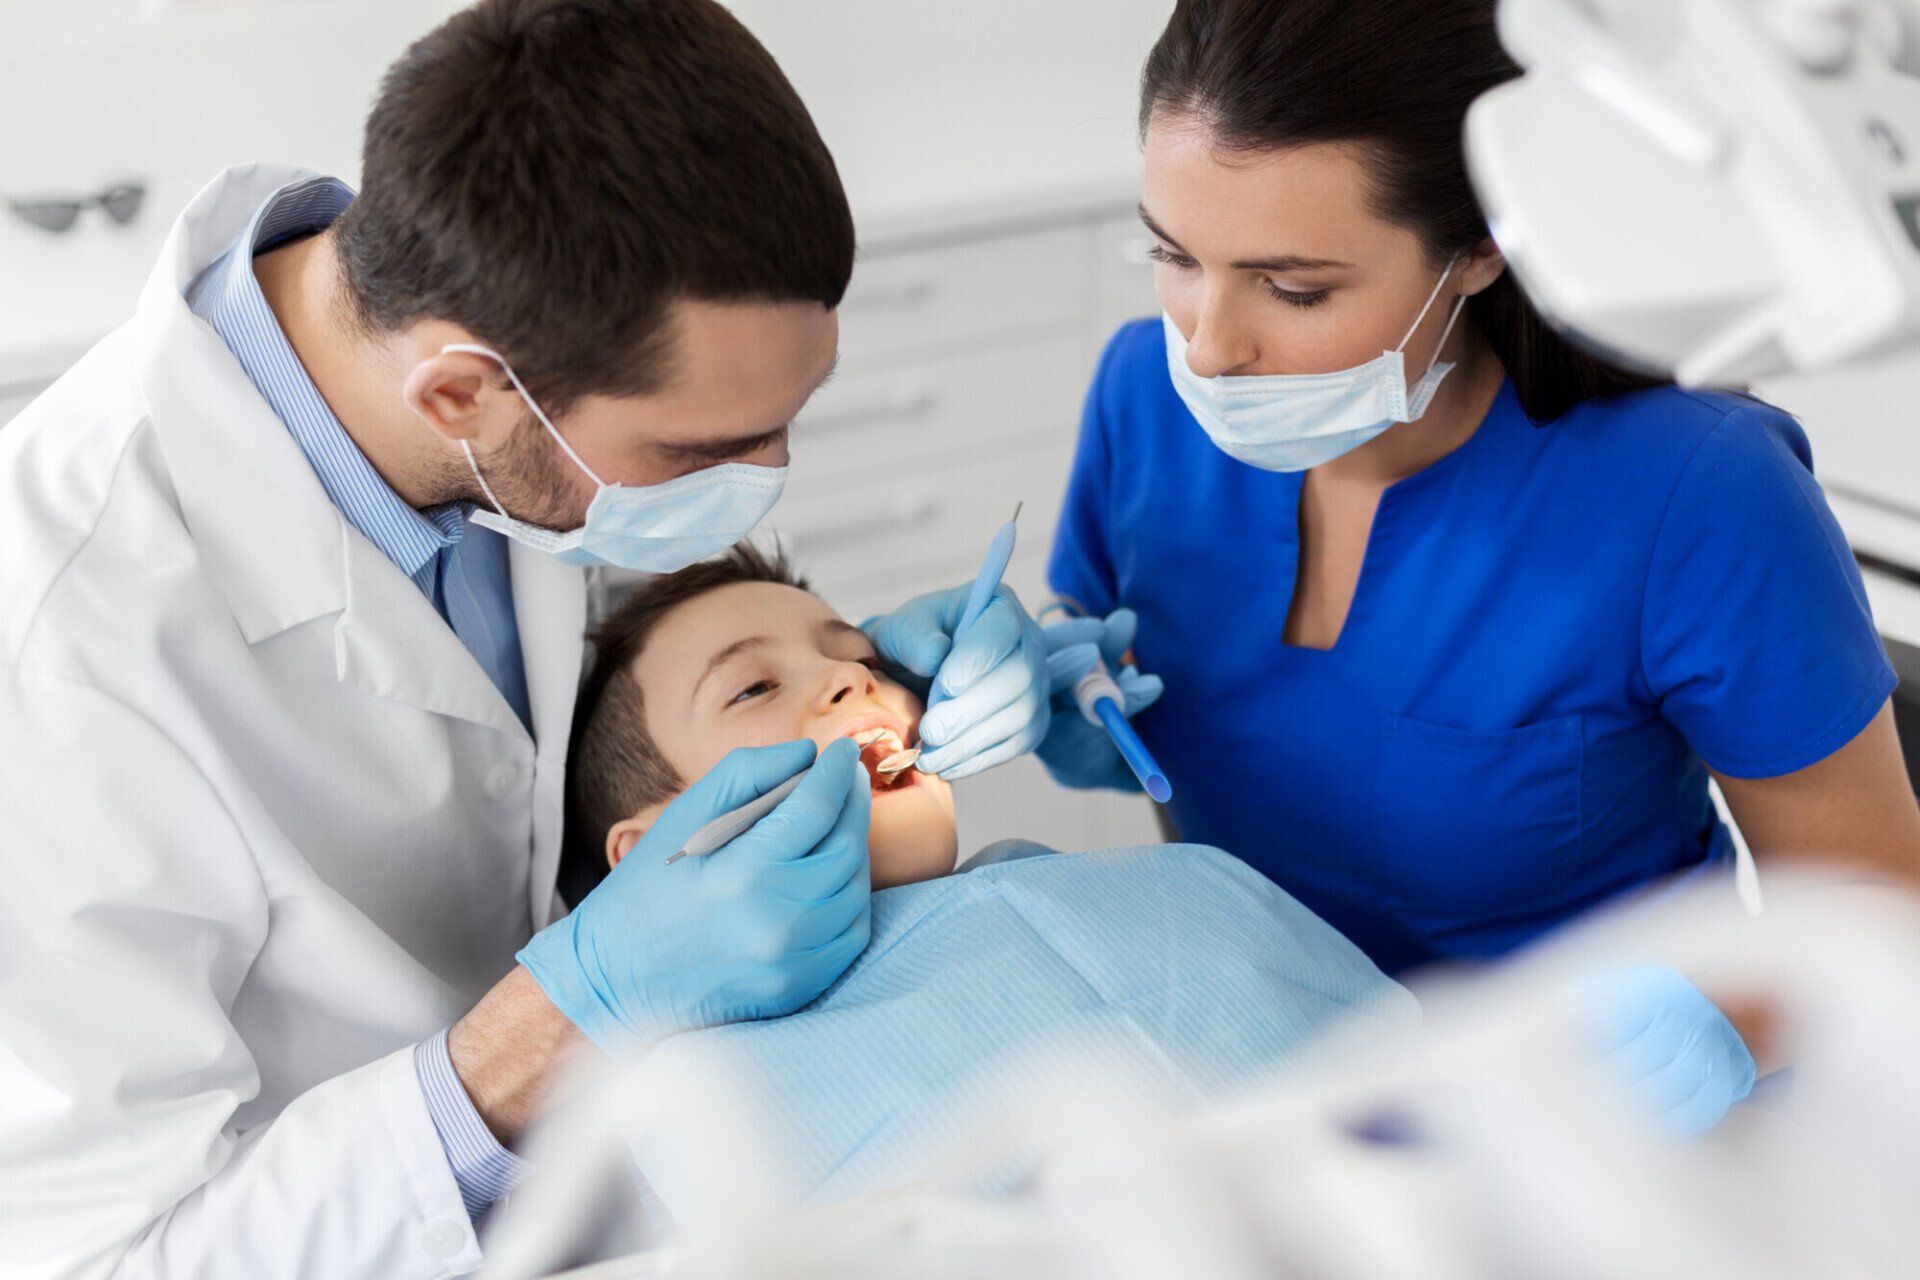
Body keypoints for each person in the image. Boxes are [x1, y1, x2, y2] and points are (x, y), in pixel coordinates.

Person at [0, 2, 1052, 1276]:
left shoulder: (482, 408)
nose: (769, 478)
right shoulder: (60, 648)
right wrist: (558, 1018)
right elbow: (107, 1256)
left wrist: (834, 658)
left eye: (787, 419)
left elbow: (515, 712)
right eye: (698, 454)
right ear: (461, 393)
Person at [1037, 0, 1920, 1136]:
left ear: (1479, 247)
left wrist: (1726, 1017)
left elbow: (1873, 892)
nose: (1208, 345)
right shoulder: (1142, 395)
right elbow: (1155, 691)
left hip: (1602, 1128)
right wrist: (1070, 702)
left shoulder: (1697, 490)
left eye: (1295, 289)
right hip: (1270, 1103)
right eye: (1171, 254)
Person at [556, 544, 1416, 1215]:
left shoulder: (1174, 884)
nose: (852, 677)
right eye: (753, 687)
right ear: (653, 852)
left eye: (863, 657)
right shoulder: (698, 1108)